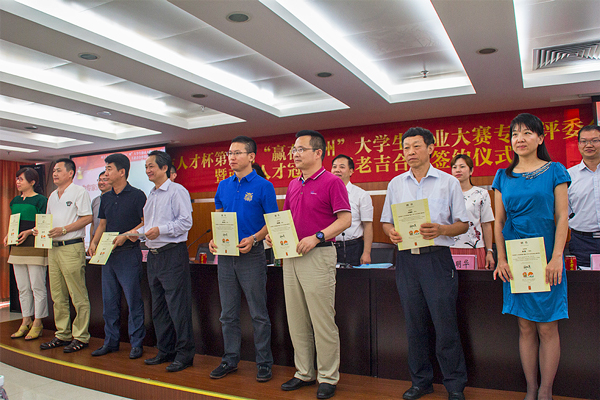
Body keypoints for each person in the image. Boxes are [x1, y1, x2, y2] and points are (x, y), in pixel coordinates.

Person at [381, 127, 469, 400]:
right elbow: (386, 222)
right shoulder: (396, 184)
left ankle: (455, 385)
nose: (410, 152)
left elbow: (463, 224)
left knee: (445, 324)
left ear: (430, 148)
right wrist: (391, 233)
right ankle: (421, 382)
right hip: (407, 260)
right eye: (406, 148)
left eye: (416, 146)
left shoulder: (448, 182)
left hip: (436, 259)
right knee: (414, 324)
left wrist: (441, 229)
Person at [268, 130, 351, 400]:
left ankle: (328, 377)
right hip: (291, 256)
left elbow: (345, 220)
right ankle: (304, 372)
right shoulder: (293, 184)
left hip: (318, 255)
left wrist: (317, 236)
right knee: (297, 318)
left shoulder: (332, 182)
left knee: (322, 320)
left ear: (318, 153)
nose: (295, 154)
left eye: (301, 149)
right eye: (294, 149)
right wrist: (274, 235)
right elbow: (287, 219)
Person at [493, 113, 570, 400]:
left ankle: (546, 391)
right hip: (516, 259)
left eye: (527, 133)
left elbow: (562, 216)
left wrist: (557, 256)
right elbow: (499, 222)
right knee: (524, 325)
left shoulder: (555, 170)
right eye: (515, 134)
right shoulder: (503, 176)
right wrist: (501, 259)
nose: (520, 139)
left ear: (540, 138)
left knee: (547, 326)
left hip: (548, 257)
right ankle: (530, 388)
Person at [208, 136, 278, 382]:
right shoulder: (223, 186)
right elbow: (219, 218)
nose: (232, 157)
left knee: (258, 313)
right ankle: (230, 359)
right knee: (227, 313)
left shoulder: (264, 186)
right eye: (229, 153)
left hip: (252, 255)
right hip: (226, 256)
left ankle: (264, 363)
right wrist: (215, 239)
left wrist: (255, 239)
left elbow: (271, 221)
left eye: (237, 153)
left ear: (251, 157)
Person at [136, 150, 195, 372]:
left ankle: (185, 355)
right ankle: (165, 350)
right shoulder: (151, 194)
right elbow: (150, 225)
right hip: (154, 256)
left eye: (151, 166)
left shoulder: (177, 191)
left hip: (172, 254)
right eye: (146, 167)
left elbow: (185, 222)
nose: (148, 170)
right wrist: (135, 233)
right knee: (159, 307)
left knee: (178, 307)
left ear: (164, 168)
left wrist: (160, 230)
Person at [88, 154, 146, 359]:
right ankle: (110, 342)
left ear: (122, 172)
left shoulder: (137, 195)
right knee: (109, 302)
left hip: (128, 253)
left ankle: (136, 344)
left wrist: (127, 235)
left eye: (109, 169)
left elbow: (145, 221)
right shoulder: (105, 197)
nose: (106, 173)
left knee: (133, 301)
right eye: (105, 169)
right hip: (108, 255)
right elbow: (102, 224)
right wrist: (94, 242)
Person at [36, 158, 93, 353]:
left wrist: (64, 229)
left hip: (71, 247)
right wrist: (39, 230)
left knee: (77, 294)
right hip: (53, 248)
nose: (54, 173)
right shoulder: (52, 195)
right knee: (58, 295)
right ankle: (62, 334)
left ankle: (81, 336)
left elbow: (88, 217)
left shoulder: (79, 192)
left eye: (59, 170)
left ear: (70, 173)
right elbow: (48, 220)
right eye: (54, 170)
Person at [4, 168, 48, 340]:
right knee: (22, 287)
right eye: (17, 179)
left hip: (35, 246)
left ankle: (38, 322)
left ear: (32, 182)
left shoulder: (41, 200)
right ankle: (26, 320)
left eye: (21, 179)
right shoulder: (15, 200)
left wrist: (29, 232)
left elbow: (44, 223)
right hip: (17, 247)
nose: (17, 182)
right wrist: (8, 235)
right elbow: (14, 222)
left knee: (37, 286)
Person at [450, 154, 495, 270]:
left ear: (471, 171)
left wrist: (489, 251)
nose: (458, 170)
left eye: (462, 166)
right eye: (454, 167)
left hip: (474, 247)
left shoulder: (481, 194)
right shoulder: (445, 195)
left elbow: (486, 225)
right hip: (450, 247)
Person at [567, 125, 600, 270]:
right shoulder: (568, 176)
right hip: (582, 242)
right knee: (584, 281)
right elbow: (564, 212)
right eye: (584, 141)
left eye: (594, 140)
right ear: (579, 144)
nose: (589, 145)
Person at [331, 154, 373, 266]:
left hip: (353, 248)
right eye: (334, 167)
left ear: (351, 171)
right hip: (329, 247)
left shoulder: (361, 195)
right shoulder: (325, 194)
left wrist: (366, 253)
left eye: (342, 167)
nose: (337, 170)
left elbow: (367, 226)